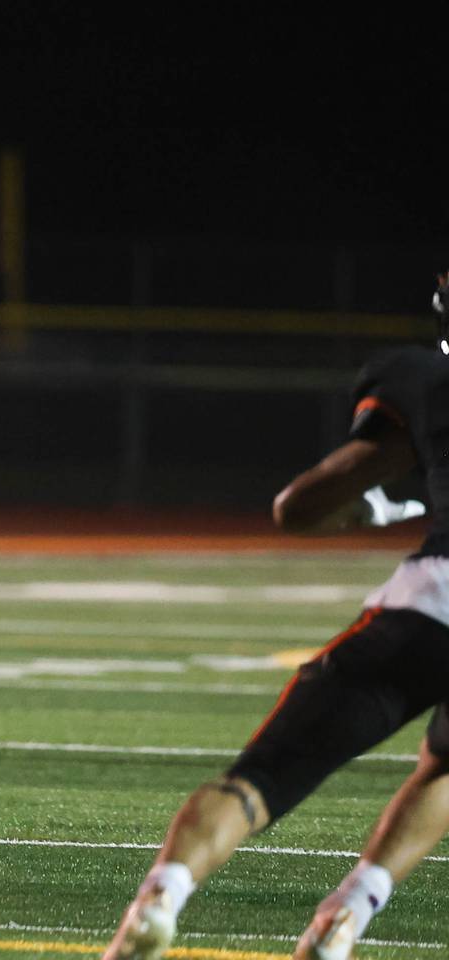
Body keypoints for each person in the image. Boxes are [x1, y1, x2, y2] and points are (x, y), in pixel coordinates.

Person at [103, 333, 446, 959]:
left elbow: (299, 508)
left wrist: (369, 508)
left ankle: (162, 897)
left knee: (260, 779)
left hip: (431, 607)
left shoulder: (426, 377)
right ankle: (346, 912)